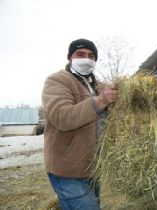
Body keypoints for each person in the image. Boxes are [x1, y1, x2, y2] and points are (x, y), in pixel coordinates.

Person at [41, 38, 117, 210]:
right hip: (68, 170)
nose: (87, 59)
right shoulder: (57, 80)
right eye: (80, 54)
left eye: (91, 56)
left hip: (92, 168)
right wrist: (101, 101)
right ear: (70, 58)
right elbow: (62, 117)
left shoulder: (95, 85)